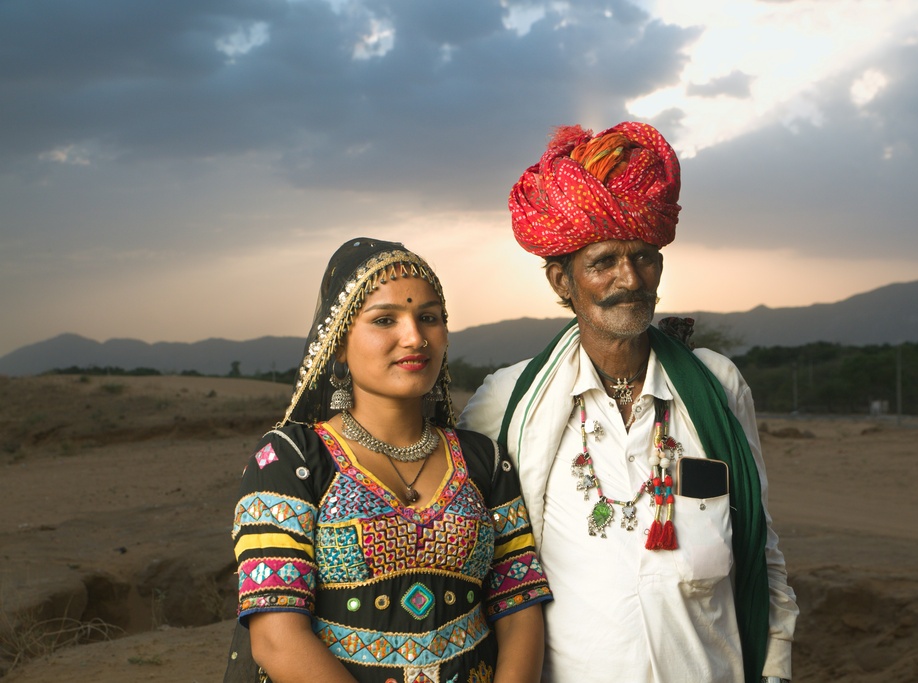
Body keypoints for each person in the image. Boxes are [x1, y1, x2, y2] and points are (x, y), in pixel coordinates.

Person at [458, 123, 799, 683]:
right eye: (603, 262)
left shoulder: (716, 386)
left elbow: (761, 545)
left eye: (644, 258)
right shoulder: (505, 403)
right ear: (560, 281)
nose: (629, 278)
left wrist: (776, 668)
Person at [229, 238, 551, 683]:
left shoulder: (485, 462)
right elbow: (277, 639)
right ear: (338, 345)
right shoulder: (292, 461)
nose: (415, 337)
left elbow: (519, 610)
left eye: (429, 318)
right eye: (385, 319)